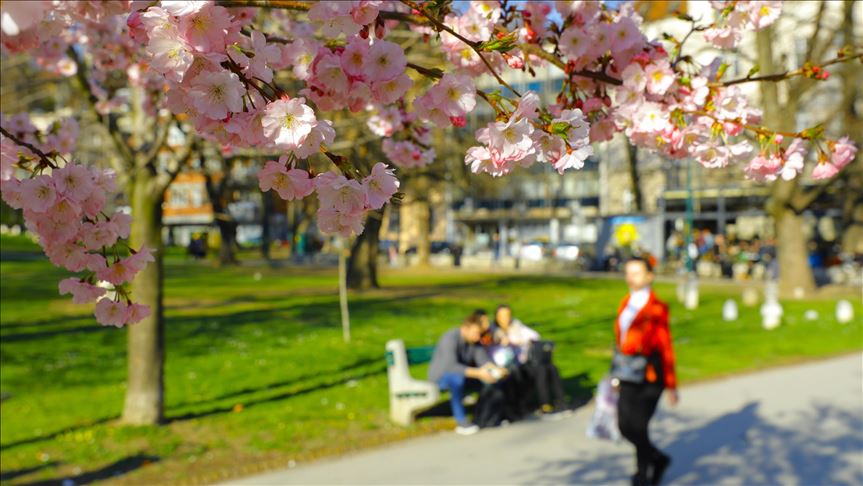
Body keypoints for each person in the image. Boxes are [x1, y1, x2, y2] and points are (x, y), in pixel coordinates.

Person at [614, 257, 678, 486]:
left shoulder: (657, 308)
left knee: (639, 426)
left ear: (649, 276)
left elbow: (666, 346)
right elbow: (619, 342)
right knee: (624, 426)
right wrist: (615, 374)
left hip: (651, 375)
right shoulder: (625, 302)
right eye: (628, 272)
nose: (631, 278)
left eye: (637, 273)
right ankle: (658, 459)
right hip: (627, 372)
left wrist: (672, 384)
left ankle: (642, 476)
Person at [428, 314, 508, 435]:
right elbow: (450, 366)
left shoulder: (474, 342)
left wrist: (496, 370)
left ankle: (488, 416)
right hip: (441, 377)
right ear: (465, 328)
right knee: (457, 380)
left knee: (491, 380)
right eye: (475, 333)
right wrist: (479, 373)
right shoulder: (450, 338)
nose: (478, 337)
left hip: (463, 374)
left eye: (479, 333)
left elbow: (483, 361)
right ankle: (461, 421)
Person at [495, 305, 565, 413]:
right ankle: (544, 404)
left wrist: (519, 341)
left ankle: (558, 402)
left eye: (508, 315)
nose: (506, 318)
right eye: (503, 316)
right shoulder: (495, 332)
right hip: (511, 365)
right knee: (540, 369)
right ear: (497, 317)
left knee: (549, 367)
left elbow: (535, 337)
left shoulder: (516, 326)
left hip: (526, 361)